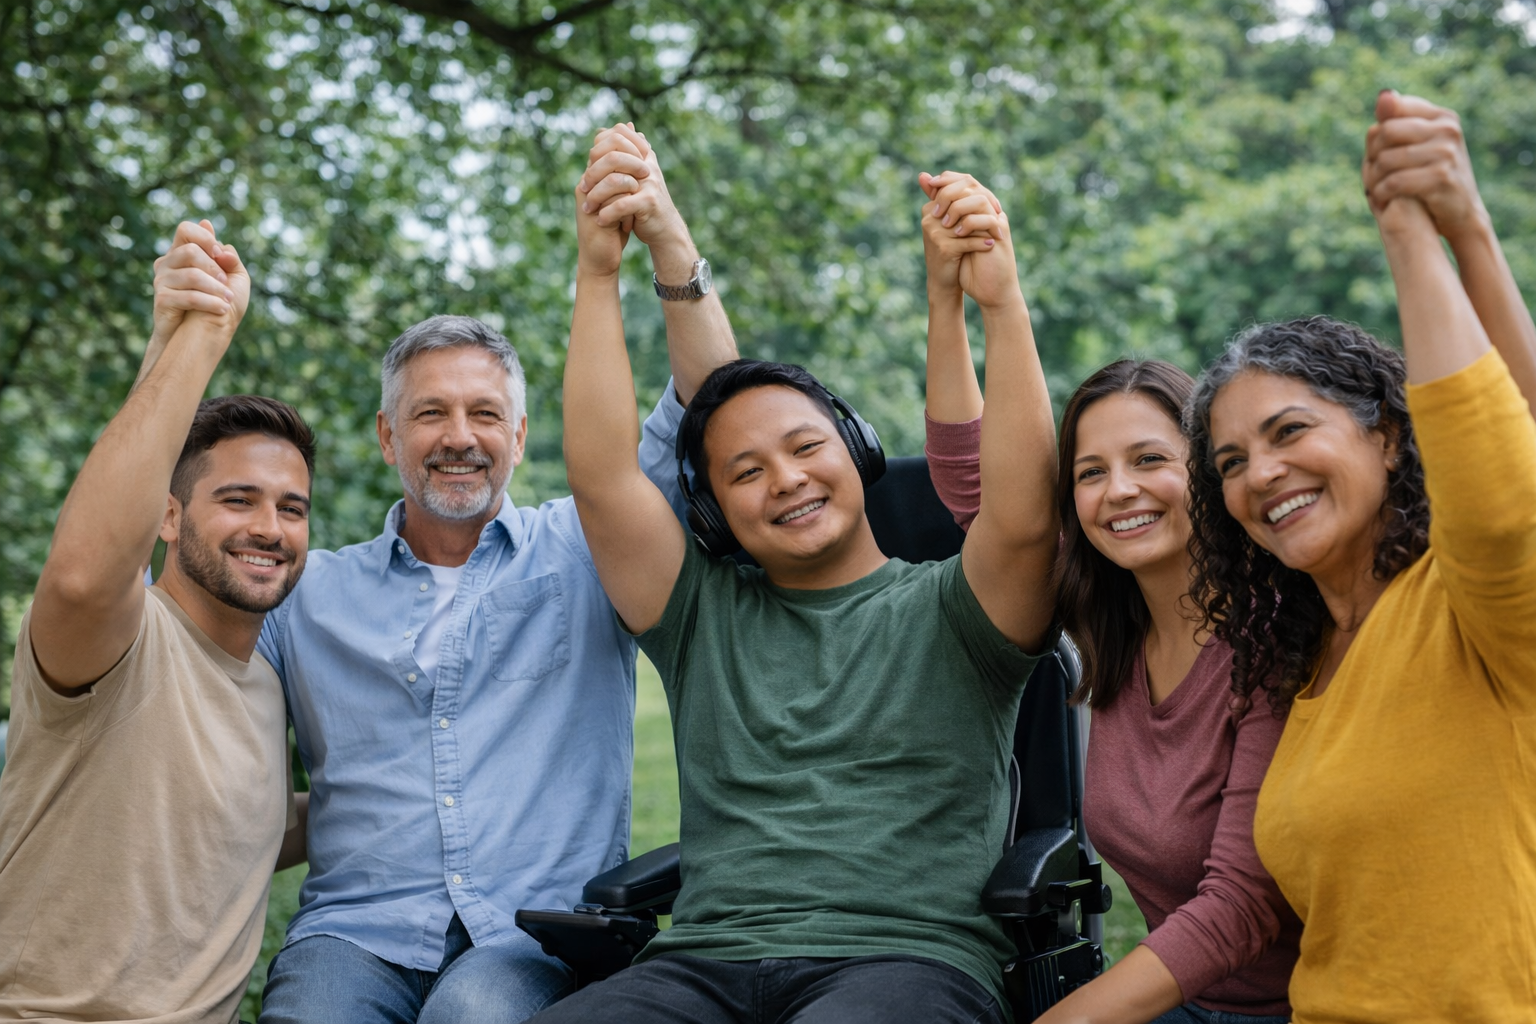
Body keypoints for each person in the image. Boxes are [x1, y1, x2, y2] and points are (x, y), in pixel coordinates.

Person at [525, 158, 1058, 1024]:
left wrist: (992, 304)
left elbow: (1026, 515)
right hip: (698, 965)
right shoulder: (699, 614)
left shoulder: (961, 610)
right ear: (711, 513)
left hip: (906, 962)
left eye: (806, 447)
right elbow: (601, 475)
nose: (785, 479)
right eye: (745, 471)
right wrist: (597, 272)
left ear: (855, 448)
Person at [255, 123, 738, 1024]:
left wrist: (668, 240)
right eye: (430, 413)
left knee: (472, 1017)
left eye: (485, 413)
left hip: (535, 935)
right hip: (356, 933)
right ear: (389, 438)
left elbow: (715, 415)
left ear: (518, 438)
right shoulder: (306, 593)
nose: (459, 436)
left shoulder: (588, 547)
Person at [1181, 92, 1536, 1023]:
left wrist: (1434, 235)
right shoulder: (1298, 668)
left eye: (1290, 430)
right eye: (1230, 462)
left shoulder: (1476, 607)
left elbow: (1504, 487)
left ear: (1387, 437)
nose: (1261, 473)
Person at [919, 172, 1300, 1024]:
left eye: (1150, 460)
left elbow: (1241, 905)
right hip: (1194, 1003)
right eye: (1091, 472)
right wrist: (960, 303)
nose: (1119, 491)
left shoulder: (1276, 640)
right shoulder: (1106, 615)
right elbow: (978, 490)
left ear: (1207, 468)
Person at [0, 221, 312, 1023]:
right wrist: (193, 339)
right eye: (236, 499)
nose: (269, 528)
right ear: (169, 519)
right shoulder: (119, 642)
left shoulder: (268, 689)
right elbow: (81, 573)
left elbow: (231, 831)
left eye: (291, 508)